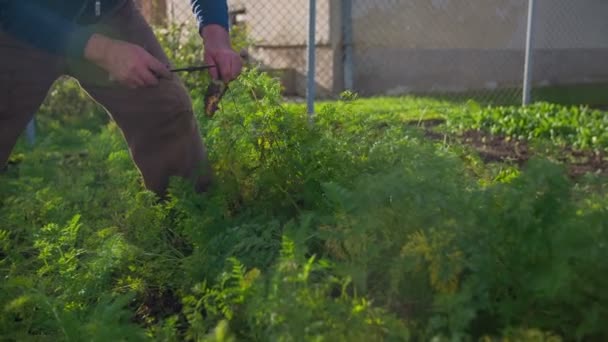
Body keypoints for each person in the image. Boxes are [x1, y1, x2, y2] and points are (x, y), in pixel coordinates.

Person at [0, 0, 243, 196]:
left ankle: (192, 227)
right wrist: (103, 50)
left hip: (107, 13)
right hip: (17, 23)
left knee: (165, 110)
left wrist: (215, 32)